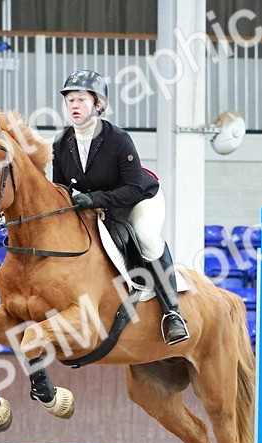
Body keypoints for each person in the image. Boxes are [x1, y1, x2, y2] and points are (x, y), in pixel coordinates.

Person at [50, 69, 189, 346]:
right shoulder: (61, 142)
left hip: (139, 200)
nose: (74, 106)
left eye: (81, 100)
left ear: (98, 104)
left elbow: (134, 188)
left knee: (147, 237)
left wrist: (95, 200)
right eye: (70, 101)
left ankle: (172, 313)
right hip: (99, 208)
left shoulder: (118, 138)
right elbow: (60, 189)